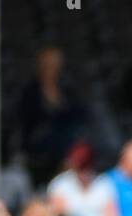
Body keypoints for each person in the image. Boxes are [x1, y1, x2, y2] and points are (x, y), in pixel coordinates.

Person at [16, 46, 87, 185]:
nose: (51, 69)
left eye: (55, 65)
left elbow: (77, 118)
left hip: (65, 150)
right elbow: (26, 123)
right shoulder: (30, 92)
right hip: (37, 151)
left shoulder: (67, 91)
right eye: (47, 65)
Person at [48, 142, 118, 216]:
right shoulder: (60, 184)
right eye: (80, 168)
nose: (83, 172)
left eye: (86, 167)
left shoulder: (104, 183)